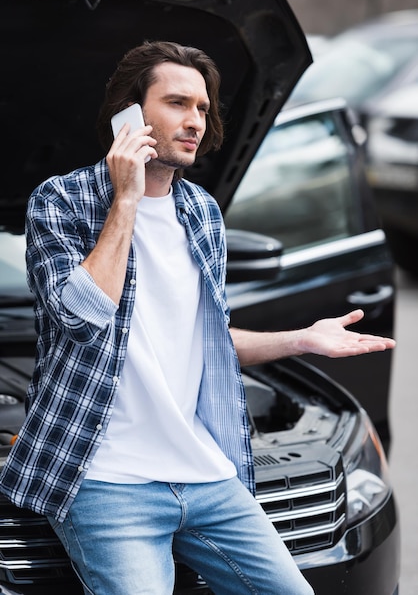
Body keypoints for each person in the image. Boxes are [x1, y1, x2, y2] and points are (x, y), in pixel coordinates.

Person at [0, 41, 395, 595]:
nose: (194, 121)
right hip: (107, 483)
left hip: (206, 474)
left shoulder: (201, 213)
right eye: (178, 103)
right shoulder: (61, 201)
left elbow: (204, 341)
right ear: (129, 116)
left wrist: (302, 339)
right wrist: (127, 201)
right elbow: (83, 319)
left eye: (203, 109)